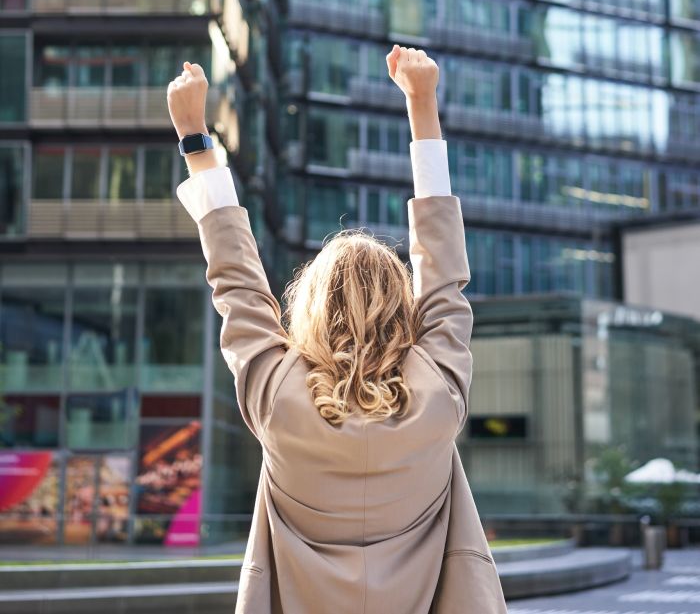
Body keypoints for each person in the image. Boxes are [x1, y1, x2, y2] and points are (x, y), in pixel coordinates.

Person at [167, 45, 508, 614]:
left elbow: (238, 286)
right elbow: (445, 279)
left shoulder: (278, 398)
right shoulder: (439, 395)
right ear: (405, 310)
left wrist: (195, 139)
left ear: (310, 310)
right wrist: (423, 106)